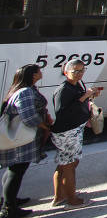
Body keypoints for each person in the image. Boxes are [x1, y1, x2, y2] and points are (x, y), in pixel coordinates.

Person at [0, 64, 50, 217]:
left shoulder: (24, 89)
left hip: (20, 138)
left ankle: (10, 199)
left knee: (14, 169)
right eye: (39, 71)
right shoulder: (26, 92)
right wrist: (46, 126)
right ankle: (8, 208)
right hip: (21, 139)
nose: (41, 73)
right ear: (33, 75)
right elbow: (29, 117)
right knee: (16, 170)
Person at [51, 59, 101, 208]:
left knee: (64, 165)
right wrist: (85, 96)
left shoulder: (75, 85)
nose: (79, 74)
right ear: (66, 72)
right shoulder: (63, 89)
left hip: (74, 131)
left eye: (82, 70)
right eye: (75, 71)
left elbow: (78, 103)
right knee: (69, 166)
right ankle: (72, 200)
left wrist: (90, 96)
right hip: (67, 133)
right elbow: (61, 112)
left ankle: (59, 197)